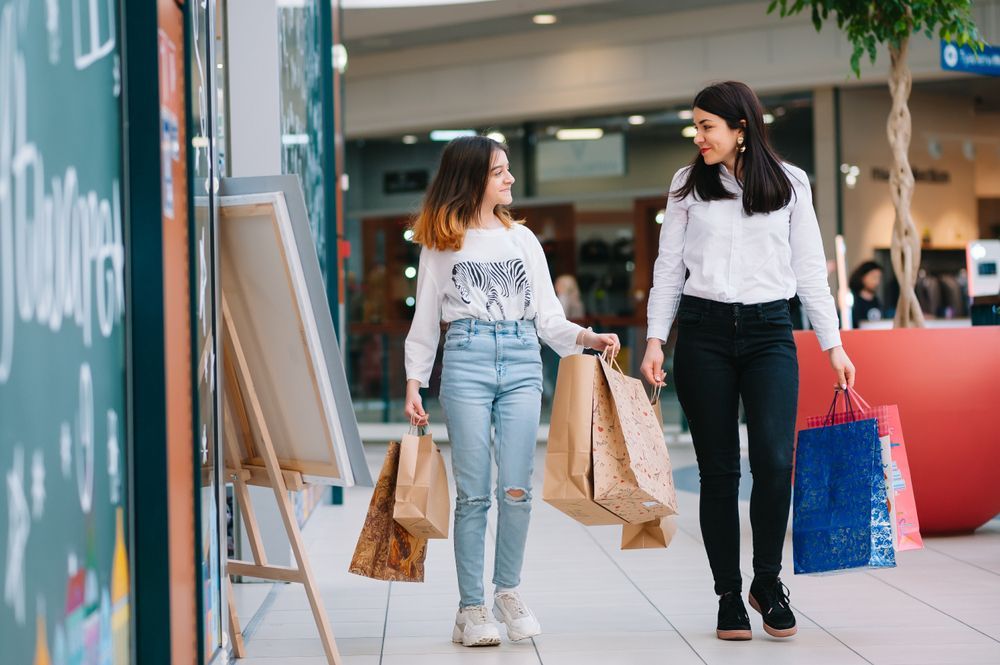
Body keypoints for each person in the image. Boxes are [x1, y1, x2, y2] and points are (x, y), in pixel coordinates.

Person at [640, 81, 856, 642]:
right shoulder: (687, 185)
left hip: (769, 333)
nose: (698, 136)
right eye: (696, 125)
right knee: (719, 472)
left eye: (707, 125)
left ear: (742, 129)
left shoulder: (790, 183)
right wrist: (655, 339)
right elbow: (669, 267)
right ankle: (728, 597)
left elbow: (810, 271)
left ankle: (767, 581)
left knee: (775, 461)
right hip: (705, 333)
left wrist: (833, 345)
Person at [403, 136, 619, 648]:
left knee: (517, 489)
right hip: (466, 360)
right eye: (500, 172)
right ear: (473, 178)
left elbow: (547, 318)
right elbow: (425, 323)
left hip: (523, 360)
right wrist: (414, 380)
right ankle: (471, 608)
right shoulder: (441, 243)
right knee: (474, 492)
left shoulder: (523, 241)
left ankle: (508, 591)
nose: (510, 180)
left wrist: (586, 338)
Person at [849, 261, 884, 326]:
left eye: (879, 278)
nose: (877, 282)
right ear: (863, 277)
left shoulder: (877, 301)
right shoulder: (852, 301)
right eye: (874, 277)